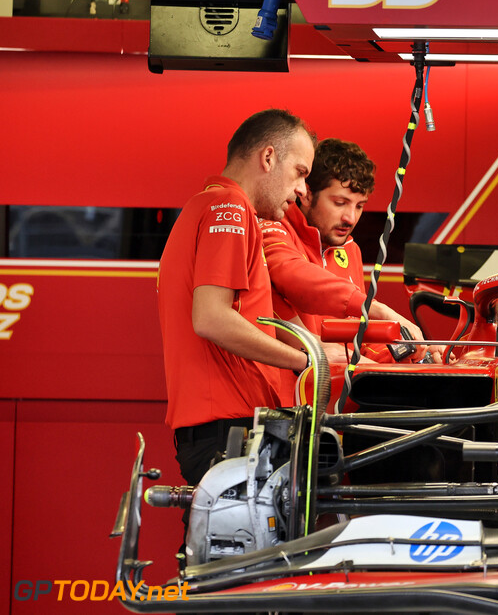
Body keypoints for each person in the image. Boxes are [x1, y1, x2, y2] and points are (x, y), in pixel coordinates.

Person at [158, 108, 315, 486]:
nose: (302, 191)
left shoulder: (207, 206)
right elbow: (210, 318)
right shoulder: (229, 207)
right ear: (268, 157)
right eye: (300, 172)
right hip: (229, 430)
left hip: (223, 429)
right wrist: (307, 361)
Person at [258, 137, 437, 391]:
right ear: (306, 194)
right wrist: (379, 310)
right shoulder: (273, 226)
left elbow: (357, 346)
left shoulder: (350, 250)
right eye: (340, 203)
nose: (350, 217)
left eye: (359, 206)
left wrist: (416, 357)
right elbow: (292, 274)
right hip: (280, 402)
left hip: (335, 404)